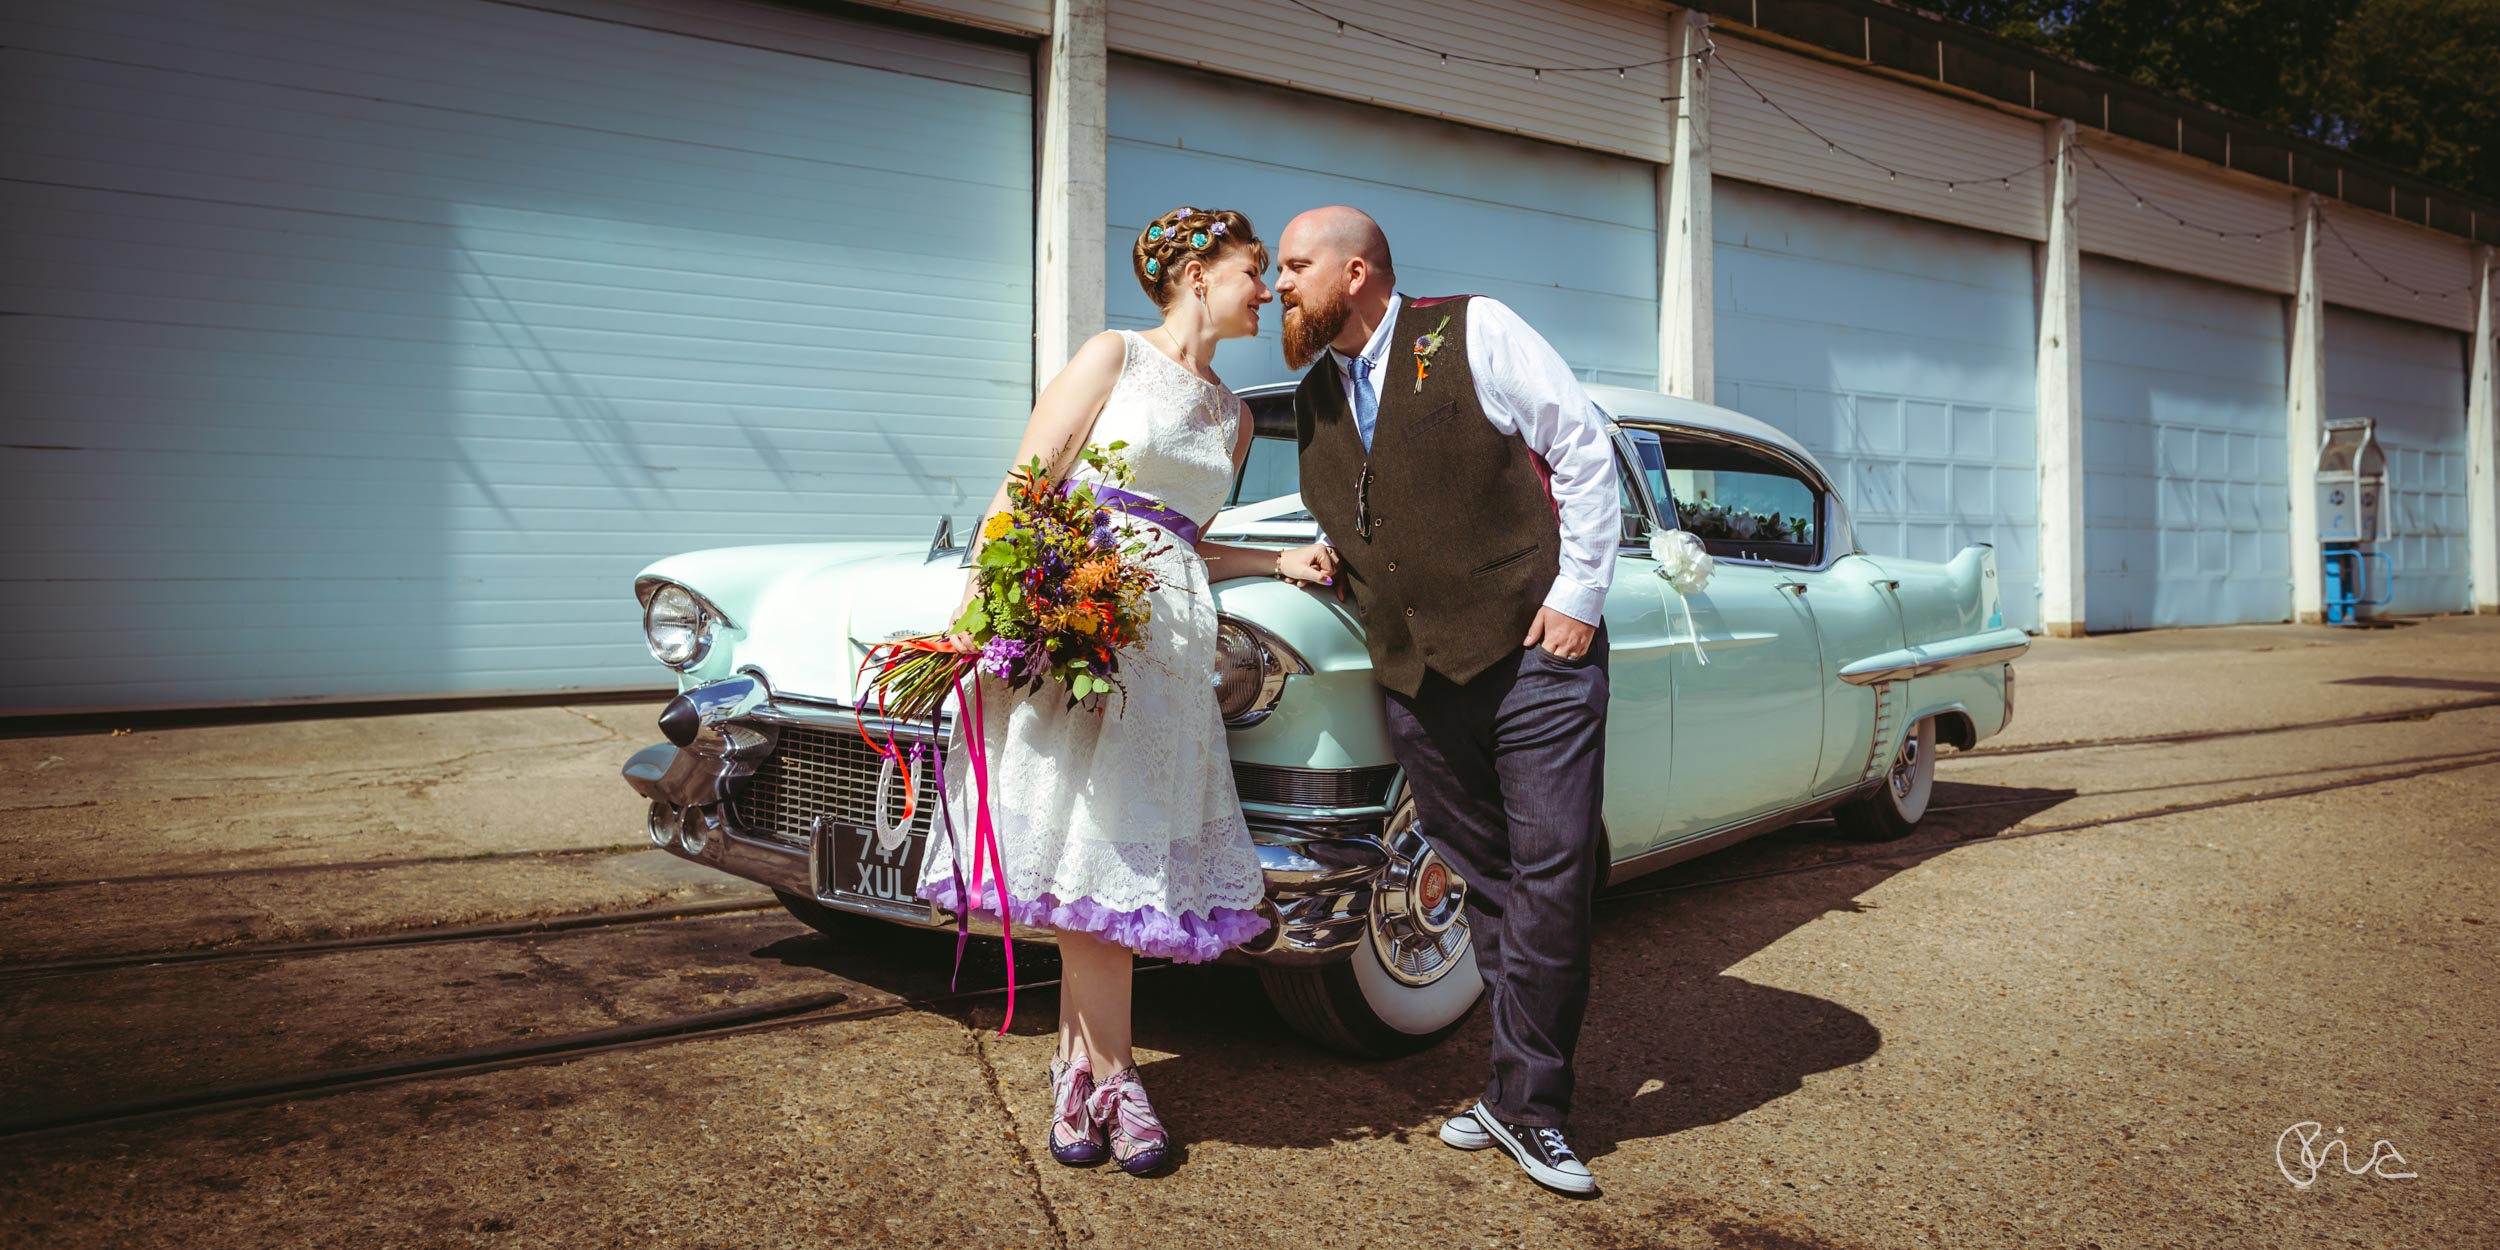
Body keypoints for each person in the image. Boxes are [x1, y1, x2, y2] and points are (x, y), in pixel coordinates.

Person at [917, 206, 1337, 1176]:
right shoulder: (1111, 354)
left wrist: (1278, 563)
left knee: (1109, 856)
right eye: (1250, 270)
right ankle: (1117, 1080)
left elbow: (1185, 544)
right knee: (1097, 849)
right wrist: (1001, 616)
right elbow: (1024, 490)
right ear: (1196, 273)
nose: (1266, 288)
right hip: (1076, 632)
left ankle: (1076, 1073)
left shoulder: (1234, 418)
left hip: (1172, 649)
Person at [1273, 206, 1620, 1195]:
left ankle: (1534, 1109)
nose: (1279, 286)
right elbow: (1373, 508)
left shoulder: (1470, 330)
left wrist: (1576, 600)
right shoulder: (1314, 395)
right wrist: (1332, 556)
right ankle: (1511, 1096)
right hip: (1419, 681)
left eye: (1295, 266)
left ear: (1357, 271)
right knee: (1488, 883)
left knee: (1550, 880)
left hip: (1534, 661)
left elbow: (1584, 451)